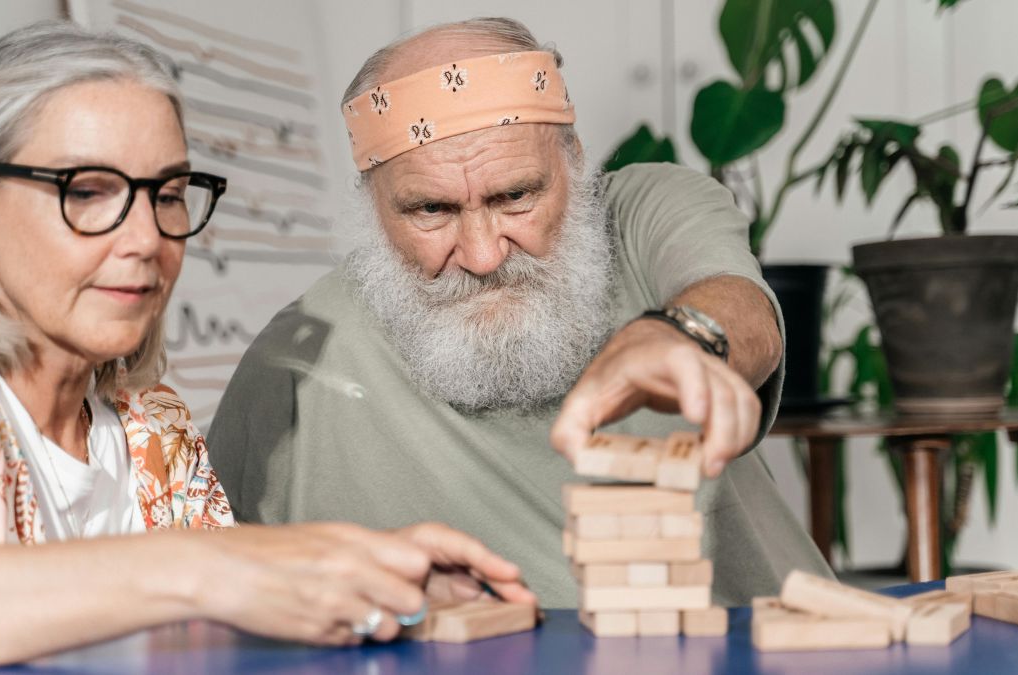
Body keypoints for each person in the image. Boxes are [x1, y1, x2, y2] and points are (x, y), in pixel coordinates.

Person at [0, 21, 533, 671]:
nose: (145, 240)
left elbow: (222, 611)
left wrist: (365, 576)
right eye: (89, 191)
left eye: (167, 195)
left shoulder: (154, 426)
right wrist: (197, 566)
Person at [207, 16, 831, 609]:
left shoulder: (642, 210)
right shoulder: (294, 359)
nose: (481, 256)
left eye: (514, 196)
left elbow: (739, 307)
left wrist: (685, 339)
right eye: (431, 210)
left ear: (574, 163)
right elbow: (215, 584)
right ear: (371, 207)